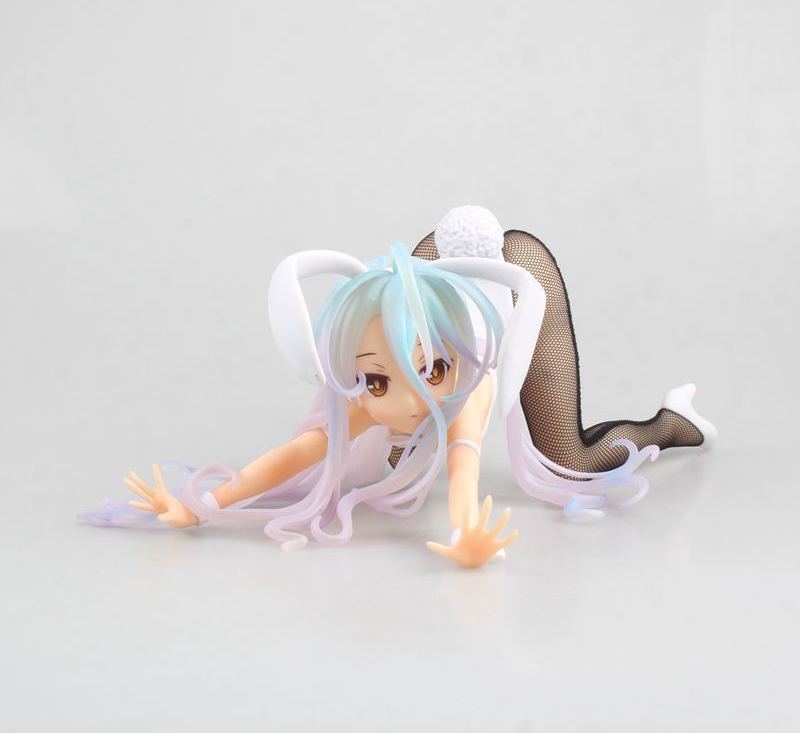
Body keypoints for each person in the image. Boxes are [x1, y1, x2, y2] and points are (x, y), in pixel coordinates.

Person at [79, 206, 716, 567]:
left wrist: (466, 536)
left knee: (569, 461)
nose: (406, 403)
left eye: (428, 376)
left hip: (518, 278)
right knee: (387, 425)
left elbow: (464, 476)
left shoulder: (471, 386)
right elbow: (298, 453)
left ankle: (675, 421)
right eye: (378, 380)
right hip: (435, 272)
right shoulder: (367, 391)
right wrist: (198, 506)